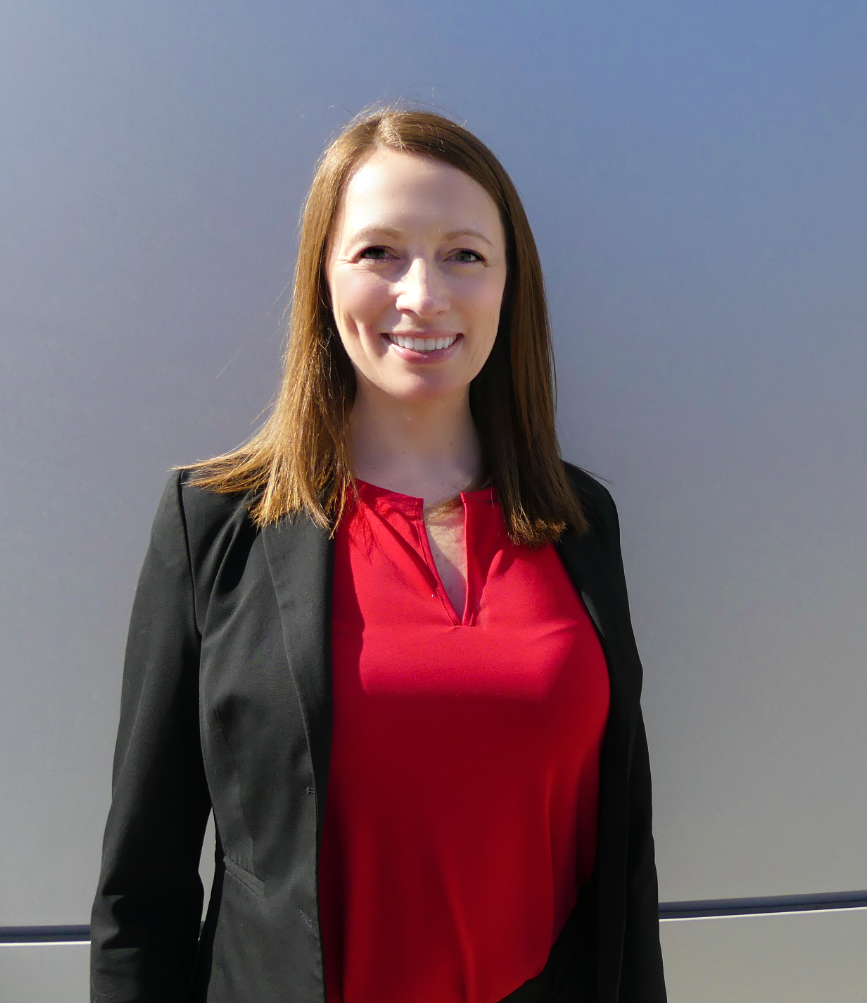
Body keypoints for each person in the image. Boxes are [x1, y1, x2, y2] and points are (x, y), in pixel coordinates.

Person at [90, 107, 666, 1003]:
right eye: (379, 252)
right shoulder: (213, 528)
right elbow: (143, 893)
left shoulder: (580, 521)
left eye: (465, 254)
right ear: (322, 277)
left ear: (510, 284)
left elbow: (623, 867)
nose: (422, 294)